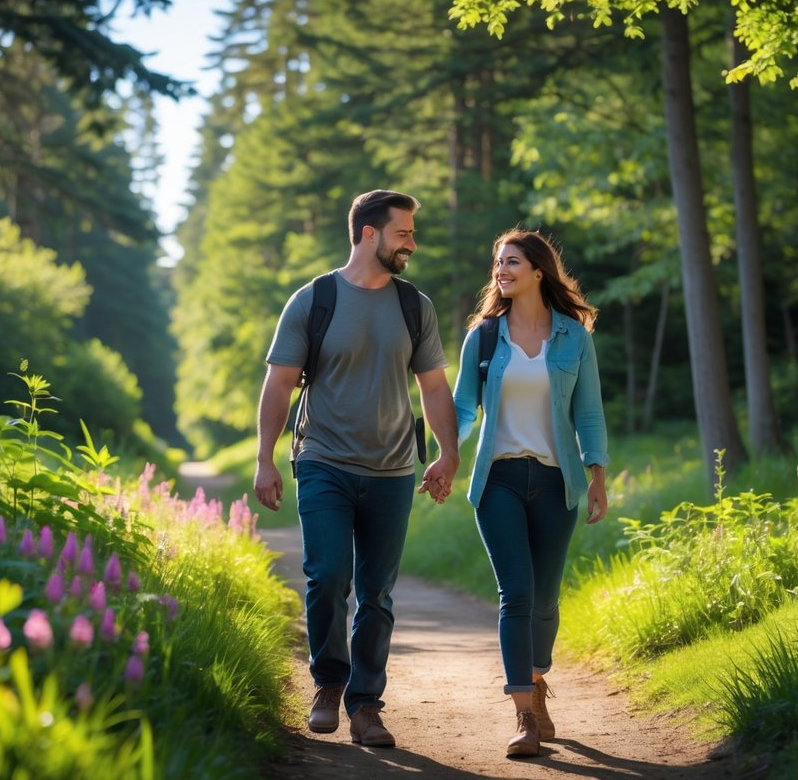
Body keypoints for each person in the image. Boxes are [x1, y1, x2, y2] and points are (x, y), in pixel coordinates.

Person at [254, 189, 458, 749]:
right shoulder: (313, 300)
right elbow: (278, 384)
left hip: (393, 469)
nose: (412, 243)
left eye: (412, 234)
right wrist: (264, 458)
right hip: (322, 460)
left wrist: (448, 451)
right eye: (404, 233)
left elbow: (434, 387)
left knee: (377, 592)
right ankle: (327, 686)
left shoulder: (415, 306)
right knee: (326, 578)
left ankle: (366, 705)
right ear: (370, 234)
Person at [451, 228, 609, 758]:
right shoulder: (485, 336)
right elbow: (462, 409)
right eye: (498, 262)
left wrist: (597, 477)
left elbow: (587, 412)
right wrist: (444, 454)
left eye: (513, 262)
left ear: (539, 271)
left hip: (554, 480)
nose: (502, 270)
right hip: (497, 480)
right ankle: (522, 713)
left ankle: (538, 679)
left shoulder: (572, 337)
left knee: (544, 601)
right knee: (515, 595)